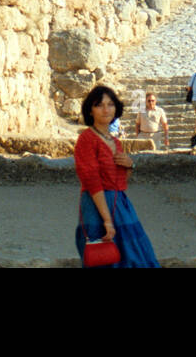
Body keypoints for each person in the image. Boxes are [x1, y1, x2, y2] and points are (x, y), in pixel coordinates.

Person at [73, 85, 161, 268]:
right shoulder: (87, 139)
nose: (106, 109)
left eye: (110, 104)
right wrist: (107, 220)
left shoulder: (115, 141)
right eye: (99, 105)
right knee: (105, 258)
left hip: (120, 204)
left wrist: (130, 165)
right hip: (98, 206)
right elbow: (92, 181)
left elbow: (120, 180)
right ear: (90, 109)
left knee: (136, 255)